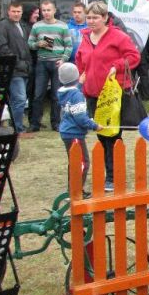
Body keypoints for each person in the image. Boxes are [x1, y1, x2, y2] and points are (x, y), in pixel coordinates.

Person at [75, 0, 141, 192]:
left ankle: (113, 176)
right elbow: (81, 58)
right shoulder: (85, 37)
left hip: (113, 94)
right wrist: (81, 74)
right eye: (88, 17)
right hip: (92, 93)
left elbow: (134, 56)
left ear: (105, 18)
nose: (91, 21)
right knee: (101, 134)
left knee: (112, 134)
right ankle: (110, 171)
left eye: (95, 17)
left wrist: (117, 66)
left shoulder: (118, 36)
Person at [57, 62, 101, 199]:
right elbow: (81, 118)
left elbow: (74, 93)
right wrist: (94, 125)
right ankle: (76, 191)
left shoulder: (63, 92)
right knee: (82, 162)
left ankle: (72, 189)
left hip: (66, 133)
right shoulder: (77, 96)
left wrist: (80, 84)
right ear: (76, 77)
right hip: (74, 134)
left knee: (74, 161)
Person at [28, 0, 72, 131]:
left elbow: (69, 46)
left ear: (54, 11)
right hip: (42, 62)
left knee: (56, 95)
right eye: (44, 10)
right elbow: (29, 43)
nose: (46, 13)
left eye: (48, 10)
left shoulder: (63, 26)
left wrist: (64, 59)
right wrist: (37, 44)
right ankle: (35, 124)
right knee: (38, 95)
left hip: (57, 62)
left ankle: (56, 123)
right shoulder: (36, 26)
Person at [0, 1, 33, 134]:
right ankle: (18, 128)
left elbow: (28, 46)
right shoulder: (3, 25)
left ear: (22, 12)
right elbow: (1, 46)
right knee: (20, 99)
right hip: (14, 69)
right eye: (13, 11)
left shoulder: (23, 26)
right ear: (8, 12)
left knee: (19, 99)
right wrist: (17, 62)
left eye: (18, 11)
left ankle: (17, 125)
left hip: (25, 68)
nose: (16, 14)